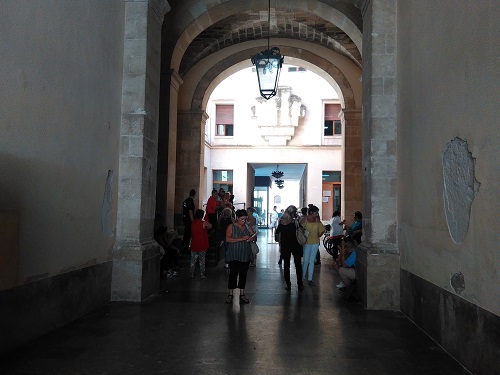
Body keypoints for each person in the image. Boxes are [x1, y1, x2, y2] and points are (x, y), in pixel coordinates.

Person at [225, 209, 255, 304]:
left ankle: (242, 294)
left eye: (245, 219)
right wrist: (241, 238)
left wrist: (251, 238)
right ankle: (230, 293)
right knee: (233, 274)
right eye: (242, 219)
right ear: (237, 218)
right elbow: (228, 239)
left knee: (243, 274)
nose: (244, 221)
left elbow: (253, 236)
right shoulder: (231, 227)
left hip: (245, 254)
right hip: (234, 254)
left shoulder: (247, 226)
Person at [275, 205, 304, 291]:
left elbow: (277, 233)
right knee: (298, 265)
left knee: (286, 265)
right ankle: (300, 284)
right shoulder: (295, 222)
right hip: (296, 245)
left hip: (285, 245)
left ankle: (288, 284)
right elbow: (301, 229)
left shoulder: (281, 222)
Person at [302, 204, 325, 286]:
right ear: (311, 212)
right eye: (316, 213)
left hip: (314, 243)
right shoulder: (305, 220)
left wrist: (319, 235)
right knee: (306, 261)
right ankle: (302, 277)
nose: (317, 215)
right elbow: (300, 229)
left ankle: (310, 278)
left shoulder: (317, 221)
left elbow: (323, 230)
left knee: (311, 261)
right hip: (307, 243)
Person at [190, 209, 212, 279]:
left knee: (193, 261)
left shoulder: (193, 222)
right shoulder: (204, 223)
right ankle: (202, 274)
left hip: (194, 244)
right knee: (202, 261)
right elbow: (210, 226)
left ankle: (191, 274)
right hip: (202, 244)